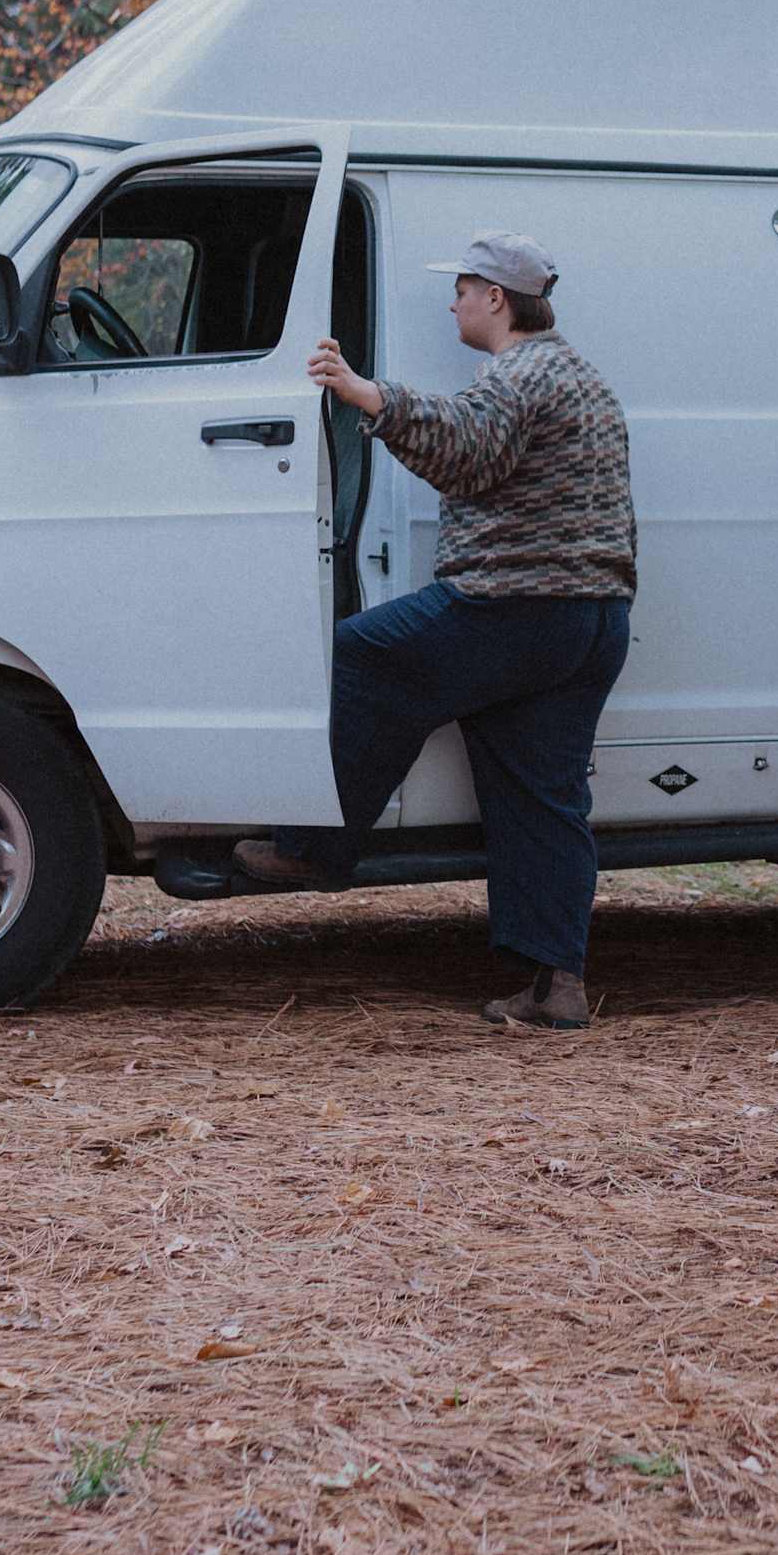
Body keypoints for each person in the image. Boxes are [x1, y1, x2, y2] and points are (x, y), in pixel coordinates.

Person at [231, 229, 637, 1030]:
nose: (451, 301)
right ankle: (556, 985)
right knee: (542, 798)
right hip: (593, 622)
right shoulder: (581, 376)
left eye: (460, 288)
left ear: (495, 297)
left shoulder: (523, 372)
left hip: (513, 609)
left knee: (362, 655)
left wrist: (364, 393)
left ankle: (315, 848)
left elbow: (468, 448)